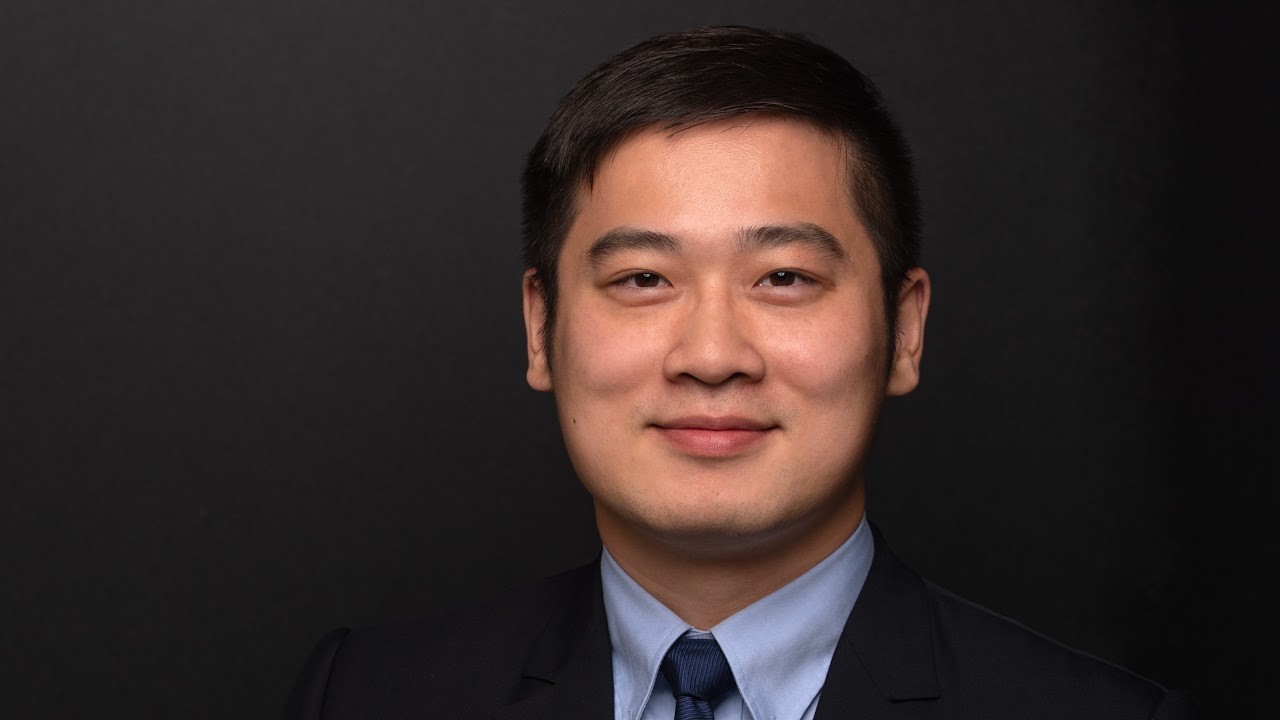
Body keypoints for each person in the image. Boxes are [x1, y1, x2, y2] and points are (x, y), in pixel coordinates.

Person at [284, 26, 1195, 720]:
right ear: (540, 327)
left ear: (905, 329)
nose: (712, 357)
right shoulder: (365, 695)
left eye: (785, 279)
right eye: (643, 279)